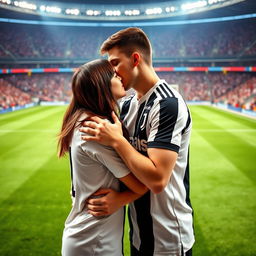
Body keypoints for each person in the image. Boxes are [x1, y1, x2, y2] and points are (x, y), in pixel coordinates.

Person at [80, 27, 195, 256]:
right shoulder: (127, 106)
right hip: (139, 236)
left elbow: (158, 180)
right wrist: (120, 198)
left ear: (135, 59)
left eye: (114, 63)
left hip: (168, 240)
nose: (110, 71)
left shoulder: (167, 104)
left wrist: (118, 141)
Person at [57, 59, 147, 256]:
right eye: (114, 75)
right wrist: (121, 199)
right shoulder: (96, 130)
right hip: (94, 241)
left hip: (87, 236)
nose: (119, 77)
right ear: (102, 85)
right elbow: (142, 185)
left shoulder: (82, 119)